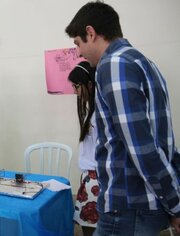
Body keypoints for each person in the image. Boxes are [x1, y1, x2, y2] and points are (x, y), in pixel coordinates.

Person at [66, 2, 180, 235]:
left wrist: (176, 205)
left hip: (128, 206)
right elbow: (164, 141)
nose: (78, 52)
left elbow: (142, 148)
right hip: (141, 204)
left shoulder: (114, 64)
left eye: (77, 42)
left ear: (91, 32)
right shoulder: (144, 63)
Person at [68, 61, 98, 236]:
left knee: (91, 229)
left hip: (97, 178)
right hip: (89, 177)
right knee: (87, 228)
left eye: (76, 86)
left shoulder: (99, 114)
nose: (74, 91)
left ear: (89, 84)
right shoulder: (91, 111)